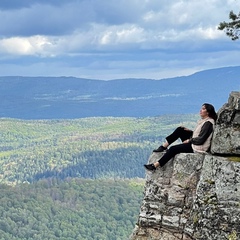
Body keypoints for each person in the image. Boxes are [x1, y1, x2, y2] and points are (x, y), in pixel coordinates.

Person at [144, 103, 218, 171]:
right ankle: (164, 146)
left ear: (208, 112)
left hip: (197, 147)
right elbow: (200, 134)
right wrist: (191, 132)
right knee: (181, 129)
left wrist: (189, 141)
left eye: (203, 109)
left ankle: (155, 165)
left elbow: (201, 139)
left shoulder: (208, 123)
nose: (200, 110)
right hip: (195, 142)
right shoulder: (206, 121)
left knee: (173, 149)